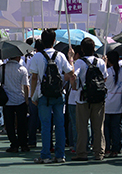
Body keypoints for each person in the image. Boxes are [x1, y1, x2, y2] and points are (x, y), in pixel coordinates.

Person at [30, 29, 75, 164]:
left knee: (45, 125)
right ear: (54, 41)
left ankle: (45, 155)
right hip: (58, 93)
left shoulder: (37, 56)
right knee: (60, 125)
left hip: (43, 94)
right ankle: (60, 155)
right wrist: (71, 58)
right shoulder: (60, 55)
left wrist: (33, 96)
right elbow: (70, 72)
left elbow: (34, 78)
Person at [71, 37, 108, 161]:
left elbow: (74, 76)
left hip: (83, 98)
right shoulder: (100, 62)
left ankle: (82, 152)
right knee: (98, 127)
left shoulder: (79, 62)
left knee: (82, 127)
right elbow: (104, 78)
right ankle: (99, 152)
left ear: (82, 49)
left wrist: (74, 87)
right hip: (98, 97)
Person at [0, 55, 29, 153]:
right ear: (18, 57)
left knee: (9, 124)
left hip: (7, 99)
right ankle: (23, 144)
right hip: (20, 99)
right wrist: (27, 100)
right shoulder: (22, 69)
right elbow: (26, 86)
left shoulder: (2, 68)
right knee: (22, 123)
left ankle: (14, 144)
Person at [104, 51, 122, 158]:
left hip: (107, 103)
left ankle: (107, 148)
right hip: (118, 103)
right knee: (116, 127)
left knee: (106, 127)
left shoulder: (107, 71)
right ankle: (116, 149)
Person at [26, 39, 44, 148]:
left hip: (34, 91)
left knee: (33, 117)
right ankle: (48, 142)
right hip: (46, 92)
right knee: (46, 118)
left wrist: (32, 95)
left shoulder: (33, 59)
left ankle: (32, 140)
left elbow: (32, 77)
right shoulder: (54, 57)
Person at [67, 45, 83, 153]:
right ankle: (85, 144)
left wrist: (70, 59)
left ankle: (77, 146)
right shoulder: (93, 62)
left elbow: (70, 76)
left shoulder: (78, 64)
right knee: (86, 124)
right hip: (86, 97)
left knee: (75, 124)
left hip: (74, 98)